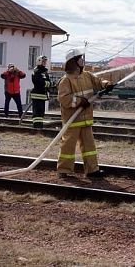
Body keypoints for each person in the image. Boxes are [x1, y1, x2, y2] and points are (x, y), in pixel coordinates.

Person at [57, 48, 113, 179]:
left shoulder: (87, 75)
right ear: (73, 62)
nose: (83, 60)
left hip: (86, 118)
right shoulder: (66, 80)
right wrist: (79, 101)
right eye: (80, 58)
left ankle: (92, 170)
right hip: (72, 119)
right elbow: (64, 99)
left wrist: (107, 85)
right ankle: (64, 170)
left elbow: (98, 81)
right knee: (68, 146)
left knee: (90, 146)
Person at [30, 55, 51, 129]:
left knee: (41, 113)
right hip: (37, 95)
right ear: (39, 61)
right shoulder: (36, 71)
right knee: (37, 113)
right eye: (43, 61)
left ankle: (40, 127)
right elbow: (38, 82)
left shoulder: (45, 72)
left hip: (43, 95)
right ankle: (36, 127)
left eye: (45, 61)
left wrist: (46, 84)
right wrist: (46, 83)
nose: (45, 63)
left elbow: (49, 83)